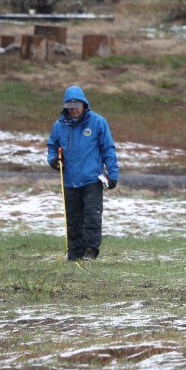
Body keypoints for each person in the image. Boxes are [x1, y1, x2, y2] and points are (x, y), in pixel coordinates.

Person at [47, 85, 119, 261]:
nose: (74, 111)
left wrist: (113, 175)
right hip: (70, 180)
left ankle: (90, 251)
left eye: (77, 107)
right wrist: (54, 161)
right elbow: (52, 147)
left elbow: (108, 149)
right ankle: (74, 253)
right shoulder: (59, 126)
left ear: (84, 105)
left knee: (92, 217)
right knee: (73, 219)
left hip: (92, 180)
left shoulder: (98, 122)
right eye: (70, 108)